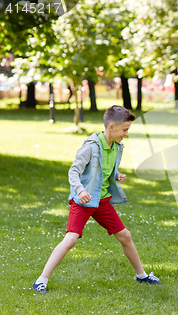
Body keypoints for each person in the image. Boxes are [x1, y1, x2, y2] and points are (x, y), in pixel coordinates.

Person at [32, 105, 162, 294]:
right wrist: (80, 190)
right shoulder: (91, 147)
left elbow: (103, 168)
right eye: (124, 129)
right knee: (71, 239)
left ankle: (141, 276)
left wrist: (115, 175)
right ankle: (41, 280)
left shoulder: (116, 147)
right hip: (84, 201)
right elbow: (74, 171)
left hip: (102, 201)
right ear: (111, 127)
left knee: (125, 235)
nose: (126, 133)